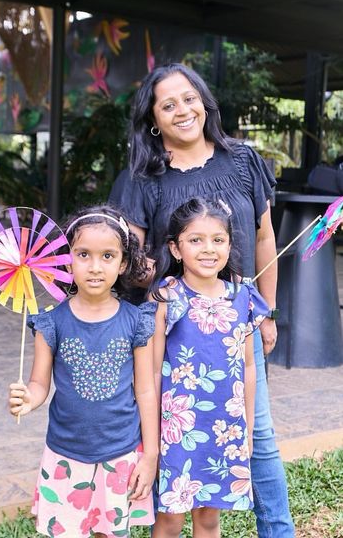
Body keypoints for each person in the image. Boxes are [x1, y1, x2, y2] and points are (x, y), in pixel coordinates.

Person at [109, 62, 295, 537]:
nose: (182, 110)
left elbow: (264, 239)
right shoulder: (143, 175)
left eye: (189, 98)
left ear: (205, 101)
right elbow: (128, 255)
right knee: (172, 436)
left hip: (237, 318)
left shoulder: (243, 159)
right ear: (154, 118)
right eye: (167, 104)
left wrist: (267, 311)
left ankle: (278, 531)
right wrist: (141, 271)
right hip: (172, 329)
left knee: (259, 437)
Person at [8, 204, 159, 538]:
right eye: (83, 254)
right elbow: (39, 383)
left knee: (112, 532)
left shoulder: (136, 322)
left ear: (123, 263)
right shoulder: (52, 319)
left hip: (121, 453)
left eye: (107, 256)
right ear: (66, 258)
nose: (95, 266)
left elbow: (146, 390)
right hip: (65, 452)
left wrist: (150, 455)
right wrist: (27, 399)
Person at [150, 198, 269, 537]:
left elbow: (248, 366)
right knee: (170, 518)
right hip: (176, 429)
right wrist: (154, 432)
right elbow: (153, 369)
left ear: (230, 245)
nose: (208, 249)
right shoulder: (166, 297)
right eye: (195, 240)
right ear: (175, 248)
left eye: (218, 239)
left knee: (208, 518)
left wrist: (245, 428)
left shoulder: (242, 297)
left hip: (224, 429)